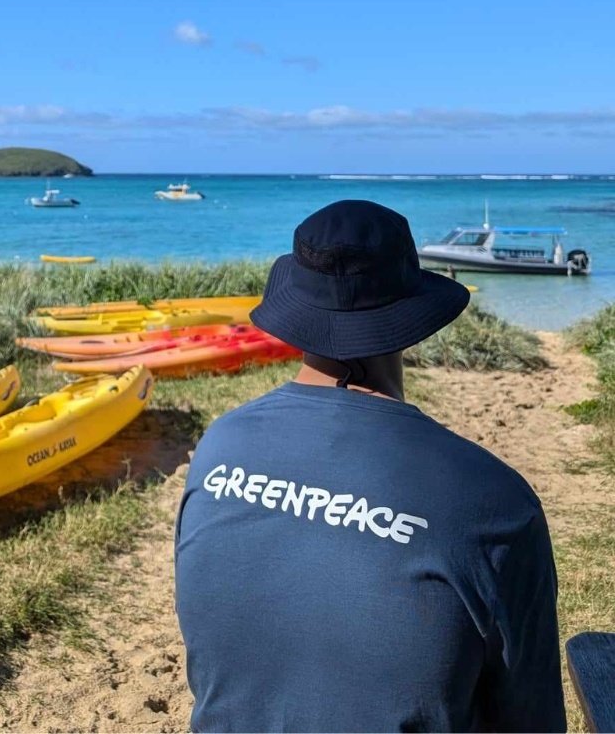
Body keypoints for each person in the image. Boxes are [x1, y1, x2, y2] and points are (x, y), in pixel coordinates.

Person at [174, 200, 565, 733]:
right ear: (410, 317)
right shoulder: (494, 502)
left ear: (297, 307)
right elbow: (531, 719)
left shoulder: (220, 446)